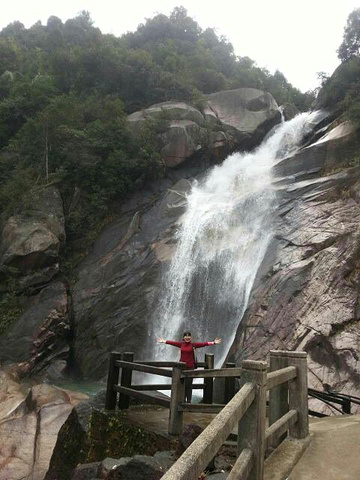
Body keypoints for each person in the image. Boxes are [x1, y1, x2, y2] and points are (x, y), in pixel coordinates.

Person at [157, 331, 222, 403]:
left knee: (189, 384)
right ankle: (182, 399)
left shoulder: (193, 345)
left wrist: (214, 342)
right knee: (182, 384)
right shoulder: (181, 344)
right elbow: (172, 343)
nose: (187, 337)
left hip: (190, 367)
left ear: (190, 337)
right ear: (183, 337)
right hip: (182, 367)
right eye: (186, 336)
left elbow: (203, 344)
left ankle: (189, 401)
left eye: (188, 336)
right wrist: (163, 341)